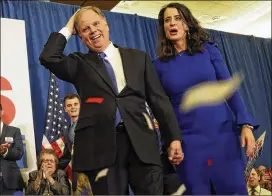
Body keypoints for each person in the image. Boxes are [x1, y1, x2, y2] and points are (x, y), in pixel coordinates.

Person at [39, 6, 183, 195]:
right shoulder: (78, 63)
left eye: (96, 24)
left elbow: (158, 100)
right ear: (80, 36)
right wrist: (68, 27)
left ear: (106, 24)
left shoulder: (139, 58)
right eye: (85, 29)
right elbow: (48, 57)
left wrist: (173, 138)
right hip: (101, 150)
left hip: (142, 144)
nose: (93, 31)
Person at [153, 2, 259, 195]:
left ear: (187, 25)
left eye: (178, 18)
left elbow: (229, 88)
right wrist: (170, 141)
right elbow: (162, 109)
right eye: (167, 20)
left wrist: (245, 124)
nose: (172, 23)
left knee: (232, 190)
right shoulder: (158, 66)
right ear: (163, 29)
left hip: (222, 135)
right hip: (188, 142)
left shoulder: (208, 50)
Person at [0, 103, 25, 195]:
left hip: (10, 180)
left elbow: (19, 152)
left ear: (1, 112)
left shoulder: (14, 131)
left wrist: (5, 151)